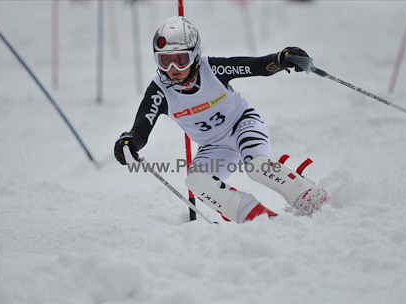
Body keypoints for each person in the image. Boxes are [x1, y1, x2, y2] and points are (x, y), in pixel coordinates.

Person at [114, 16, 327, 223]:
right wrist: (130, 142)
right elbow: (141, 128)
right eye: (165, 61)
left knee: (257, 166)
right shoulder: (159, 91)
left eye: (181, 60)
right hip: (213, 147)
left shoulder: (211, 69)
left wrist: (281, 59)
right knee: (195, 181)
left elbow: (257, 66)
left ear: (195, 55)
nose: (173, 70)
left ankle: (308, 194)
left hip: (242, 125)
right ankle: (259, 219)